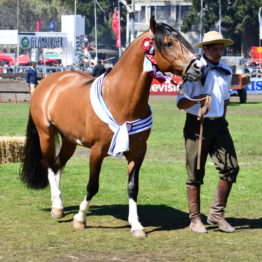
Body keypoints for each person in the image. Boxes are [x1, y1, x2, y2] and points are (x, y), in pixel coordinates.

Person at [176, 31, 239, 234]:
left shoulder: (226, 70)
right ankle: (195, 219)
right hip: (197, 125)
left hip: (220, 125)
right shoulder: (193, 70)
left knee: (231, 168)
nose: (219, 52)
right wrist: (199, 99)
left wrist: (221, 116)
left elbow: (226, 99)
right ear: (205, 49)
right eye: (215, 49)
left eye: (221, 49)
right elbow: (180, 103)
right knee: (195, 173)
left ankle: (216, 214)